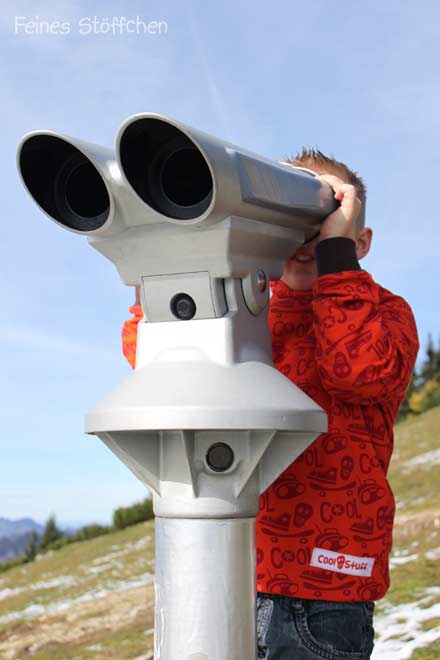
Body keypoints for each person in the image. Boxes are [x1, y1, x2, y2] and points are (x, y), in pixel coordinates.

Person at [121, 149, 419, 660]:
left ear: (360, 240)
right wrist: (171, 270)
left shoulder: (383, 311)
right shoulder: (248, 306)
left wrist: (336, 257)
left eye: (322, 219)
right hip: (225, 569)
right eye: (291, 222)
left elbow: (358, 373)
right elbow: (158, 363)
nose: (305, 237)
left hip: (325, 589)